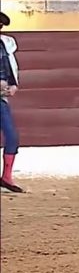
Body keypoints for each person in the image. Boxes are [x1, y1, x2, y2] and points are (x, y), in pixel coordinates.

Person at [0, 11, 22, 193]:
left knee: (12, 136)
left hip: (1, 98)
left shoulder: (5, 45)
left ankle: (6, 176)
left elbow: (11, 67)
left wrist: (13, 85)